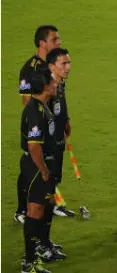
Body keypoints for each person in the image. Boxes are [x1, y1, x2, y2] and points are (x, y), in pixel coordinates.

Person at [16, 26, 75, 224]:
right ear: (42, 43)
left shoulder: (56, 64)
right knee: (32, 168)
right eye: (54, 39)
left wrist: (65, 119)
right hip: (42, 127)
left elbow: (61, 95)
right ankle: (22, 209)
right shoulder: (30, 70)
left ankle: (51, 201)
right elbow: (29, 105)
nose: (58, 42)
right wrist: (45, 122)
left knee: (53, 170)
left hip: (55, 126)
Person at [20, 68, 59, 273]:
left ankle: (41, 249)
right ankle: (29, 261)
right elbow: (33, 146)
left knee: (45, 205)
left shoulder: (41, 106)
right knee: (35, 210)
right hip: (36, 167)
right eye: (53, 82)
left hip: (44, 164)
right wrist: (43, 170)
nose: (56, 83)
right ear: (45, 87)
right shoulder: (35, 111)